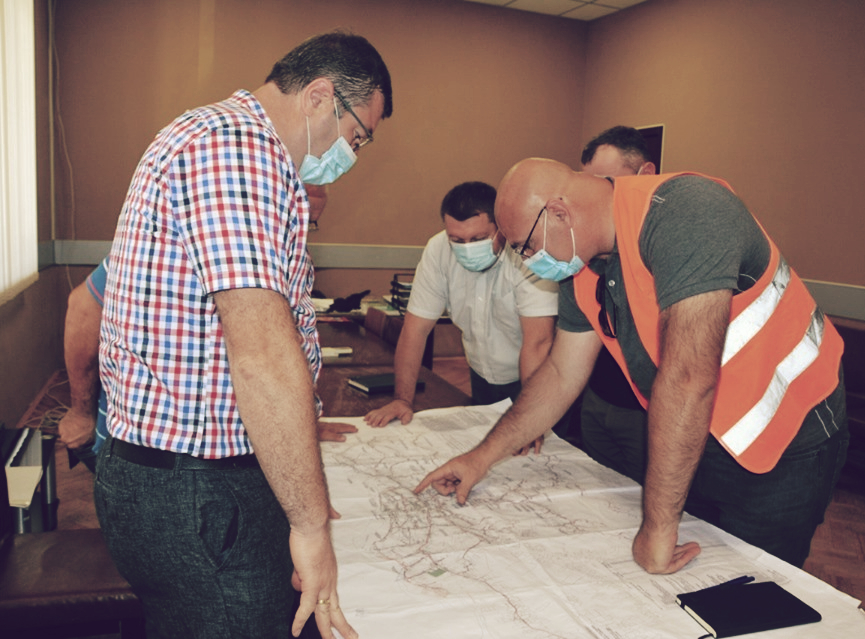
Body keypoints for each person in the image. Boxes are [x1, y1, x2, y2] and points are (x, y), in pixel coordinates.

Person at [416, 157, 849, 575]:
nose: (528, 260)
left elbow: (688, 379)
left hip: (787, 442)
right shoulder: (582, 261)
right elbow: (561, 373)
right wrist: (480, 458)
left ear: (559, 213)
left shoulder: (688, 212)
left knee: (756, 590)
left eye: (525, 247)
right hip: (698, 437)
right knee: (696, 581)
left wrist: (658, 529)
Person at [95, 32, 392, 639]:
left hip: (194, 479)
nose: (353, 154)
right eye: (357, 135)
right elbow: (261, 354)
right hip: (194, 491)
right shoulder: (234, 148)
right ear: (319, 97)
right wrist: (311, 526)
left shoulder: (231, 144)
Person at [60, 186, 355, 475]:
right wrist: (81, 412)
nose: (298, 230)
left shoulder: (282, 260)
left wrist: (298, 427)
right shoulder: (176, 247)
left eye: (308, 222)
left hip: (227, 450)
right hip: (154, 452)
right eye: (291, 216)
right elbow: (83, 308)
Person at [364, 182, 558, 443]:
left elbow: (538, 342)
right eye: (457, 240)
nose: (467, 247)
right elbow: (415, 331)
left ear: (501, 227)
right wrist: (402, 399)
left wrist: (531, 419)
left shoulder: (525, 252)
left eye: (478, 239)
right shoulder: (438, 250)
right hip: (482, 375)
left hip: (540, 379)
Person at [576, 126, 654, 484]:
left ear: (645, 174)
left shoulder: (663, 244)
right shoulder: (591, 247)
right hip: (597, 399)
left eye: (606, 184)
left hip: (644, 414)